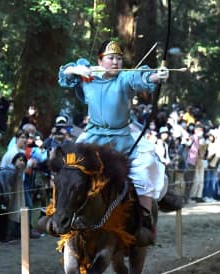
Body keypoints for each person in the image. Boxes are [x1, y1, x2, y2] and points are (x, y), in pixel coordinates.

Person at [58, 40, 169, 245]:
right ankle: (55, 211)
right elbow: (64, 75)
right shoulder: (87, 76)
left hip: (122, 139)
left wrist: (156, 76)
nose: (116, 62)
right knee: (69, 167)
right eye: (111, 58)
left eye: (119, 58)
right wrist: (75, 69)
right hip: (92, 138)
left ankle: (144, 218)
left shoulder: (125, 78)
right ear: (100, 60)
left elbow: (141, 79)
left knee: (147, 166)